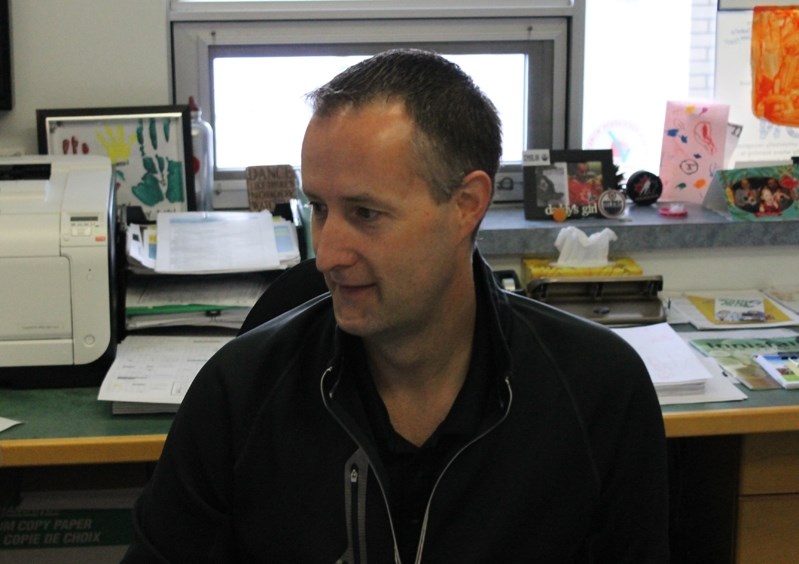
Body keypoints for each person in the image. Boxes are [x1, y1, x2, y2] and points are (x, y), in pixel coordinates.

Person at [123, 49, 669, 563]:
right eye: (319, 207)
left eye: (365, 213)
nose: (327, 256)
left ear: (466, 206)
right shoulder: (236, 394)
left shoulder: (598, 392)